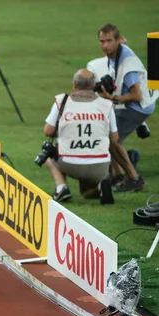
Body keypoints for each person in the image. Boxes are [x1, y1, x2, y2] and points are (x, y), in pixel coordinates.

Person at [87, 23, 156, 192]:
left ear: (117, 40)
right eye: (102, 41)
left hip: (139, 106)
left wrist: (113, 98)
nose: (105, 45)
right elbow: (123, 42)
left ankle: (134, 179)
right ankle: (117, 176)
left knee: (111, 139)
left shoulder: (128, 64)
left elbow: (136, 96)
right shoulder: (117, 50)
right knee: (108, 136)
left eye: (109, 41)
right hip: (135, 104)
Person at [42, 69, 127, 204]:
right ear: (93, 86)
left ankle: (61, 187)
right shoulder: (106, 105)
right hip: (100, 165)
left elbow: (47, 131)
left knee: (48, 153)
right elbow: (115, 139)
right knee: (86, 193)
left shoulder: (62, 101)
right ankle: (100, 187)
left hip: (69, 163)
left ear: (74, 84)